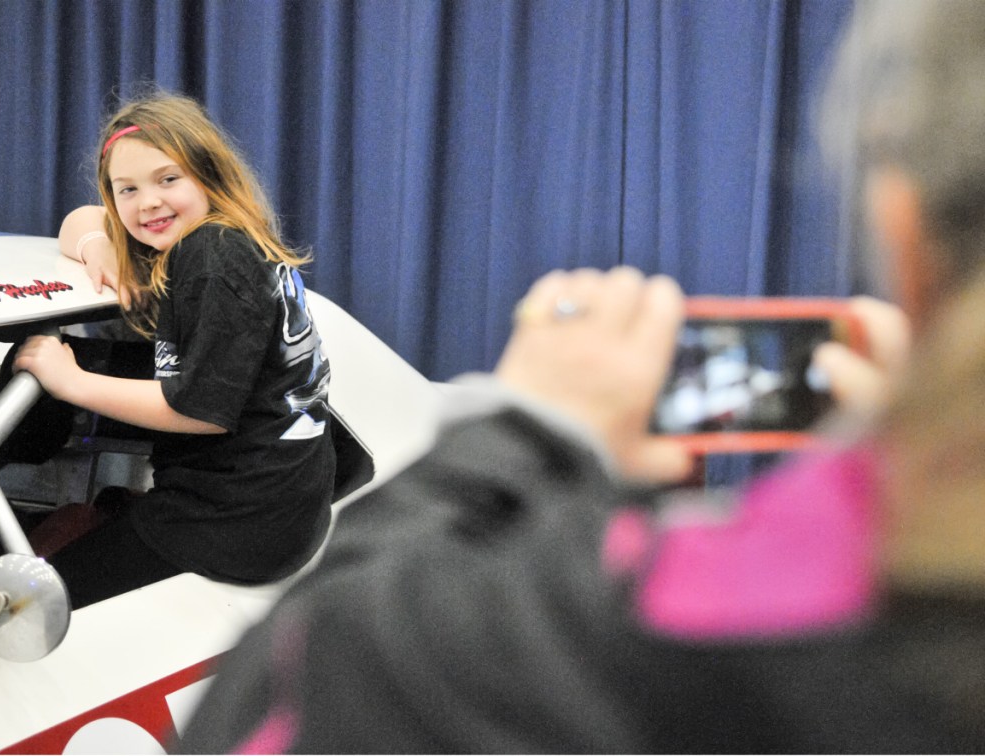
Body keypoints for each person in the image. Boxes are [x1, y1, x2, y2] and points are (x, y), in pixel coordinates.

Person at [178, 1, 985, 752]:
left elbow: (285, 692)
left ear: (905, 234)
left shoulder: (668, 629)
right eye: (126, 190)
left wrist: (526, 429)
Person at [10, 93, 336, 609]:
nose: (148, 203)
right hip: (278, 509)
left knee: (33, 602)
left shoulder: (211, 258)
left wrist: (70, 380)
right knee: (38, 372)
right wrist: (100, 244)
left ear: (208, 175)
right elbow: (80, 220)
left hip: (232, 522)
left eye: (168, 179)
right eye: (128, 189)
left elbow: (199, 412)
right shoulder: (222, 237)